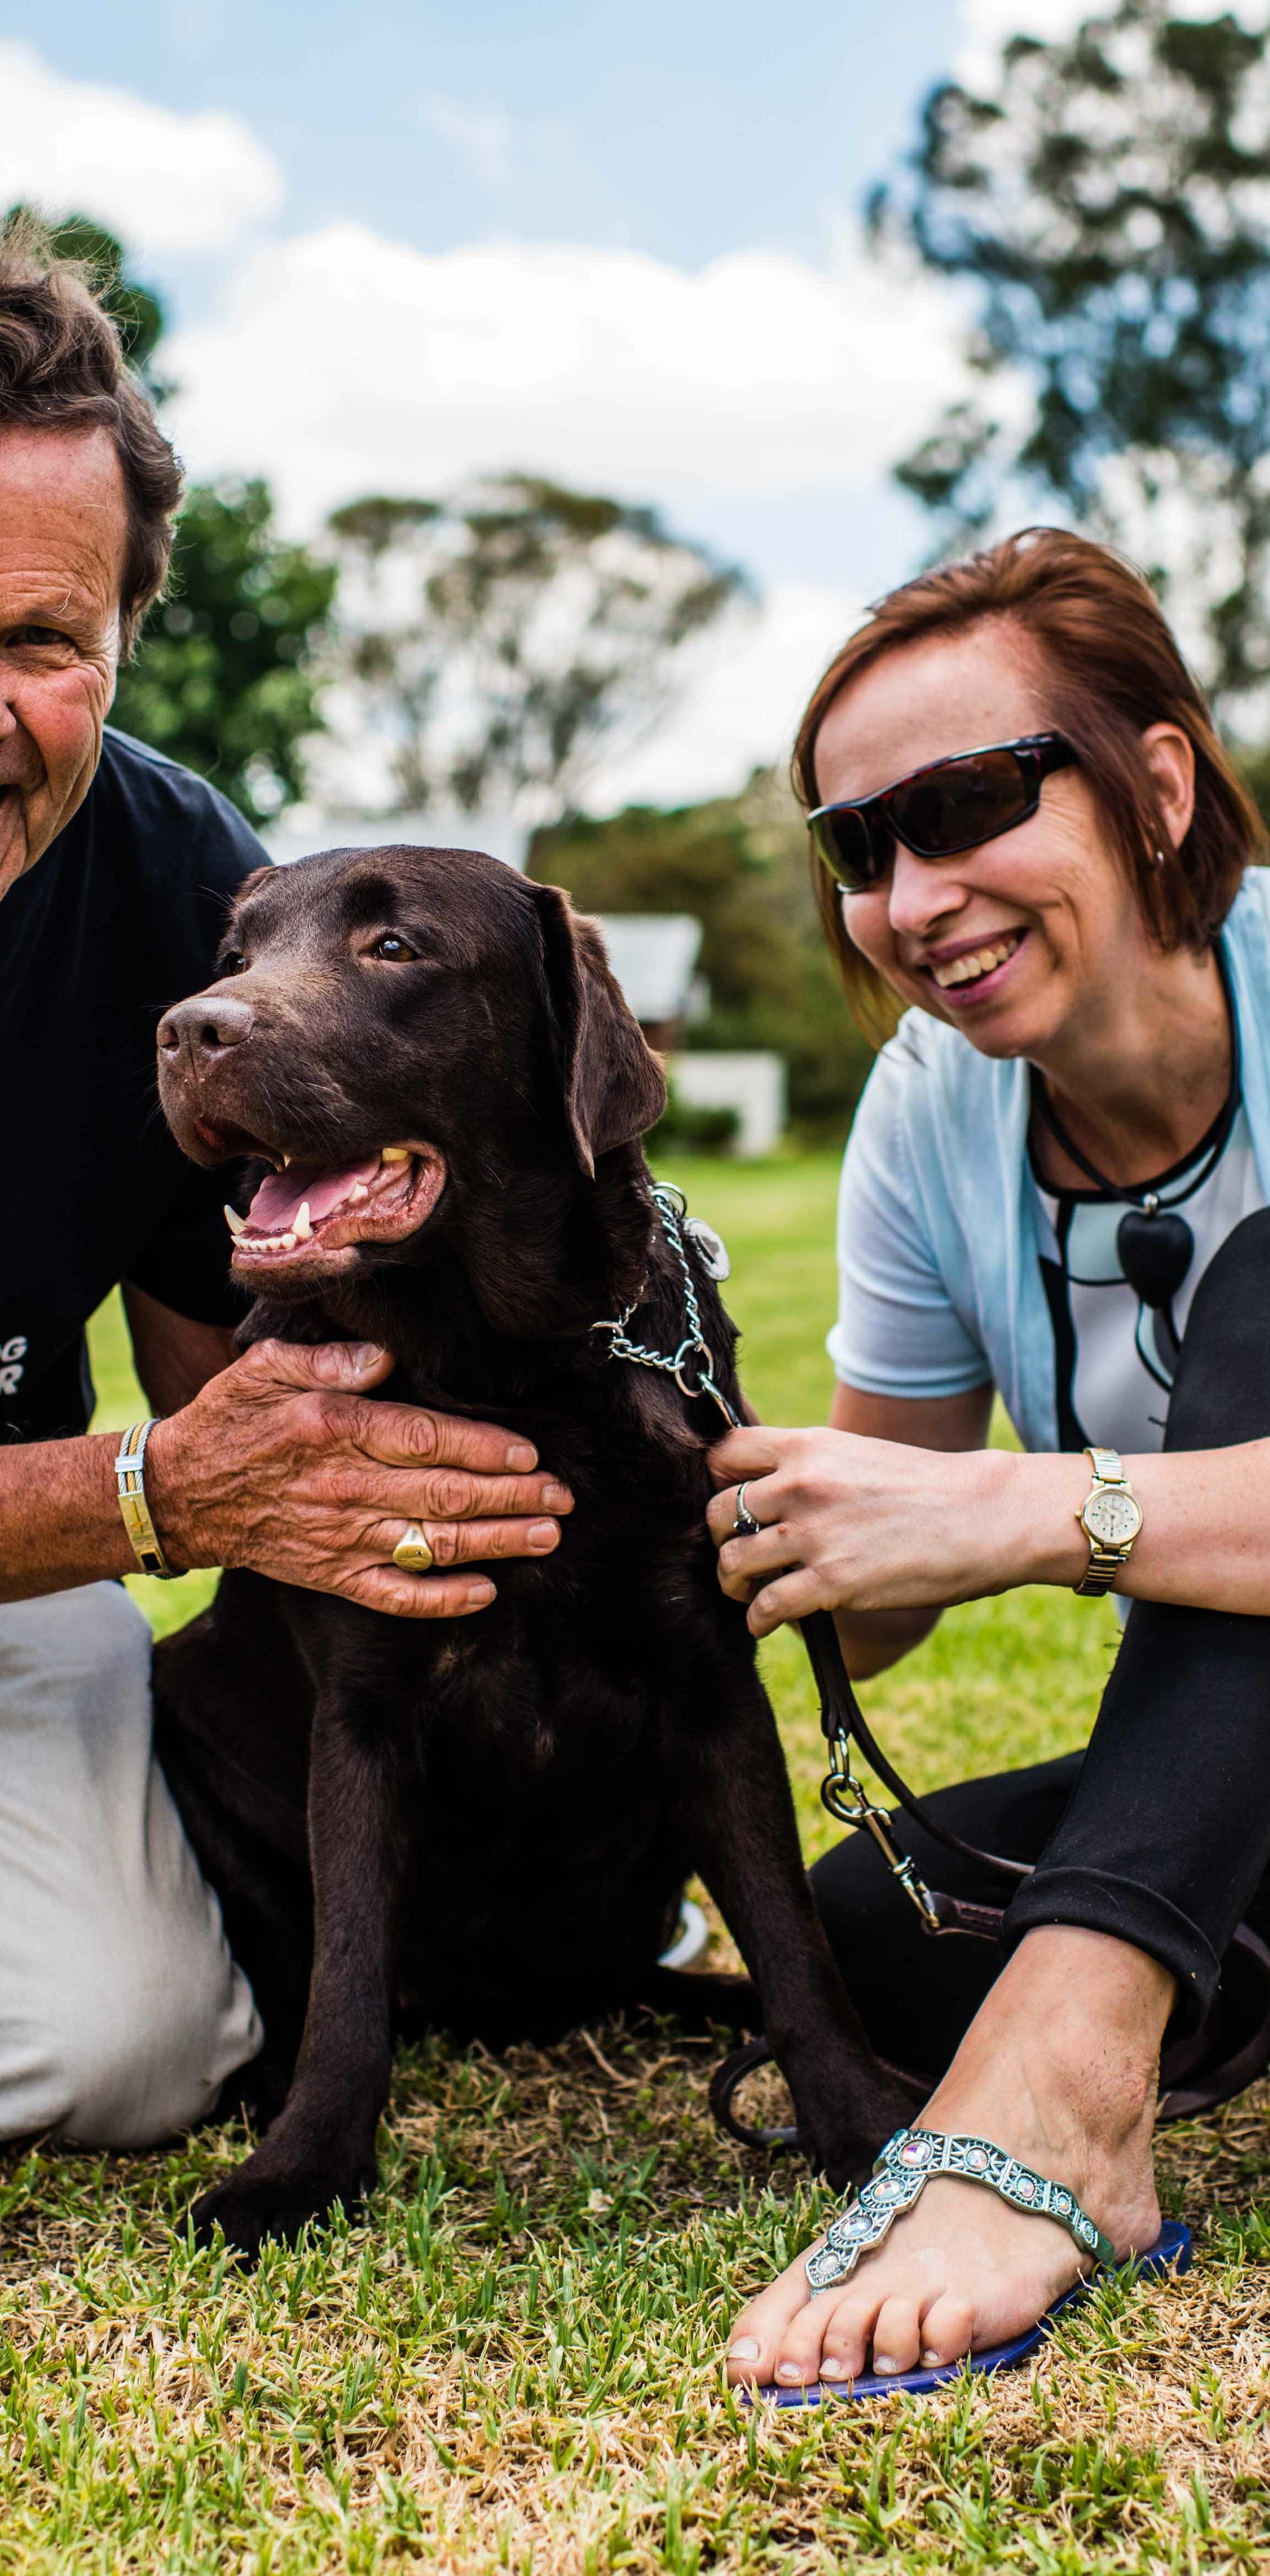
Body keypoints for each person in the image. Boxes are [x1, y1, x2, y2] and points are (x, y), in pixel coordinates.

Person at [0, 215, 569, 2218]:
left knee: (131, 2059)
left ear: (120, 644)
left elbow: (249, 1363)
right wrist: (160, 1496)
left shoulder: (187, 887)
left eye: (42, 644)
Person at [710, 528, 1270, 2394]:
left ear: (1156, 783)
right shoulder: (932, 1107)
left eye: (961, 805)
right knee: (870, 1930)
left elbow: (972, 1517)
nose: (910, 891)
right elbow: (870, 1607)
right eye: (859, 846)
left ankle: (1062, 2100)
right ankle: (1121, 1972)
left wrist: (1029, 1511)